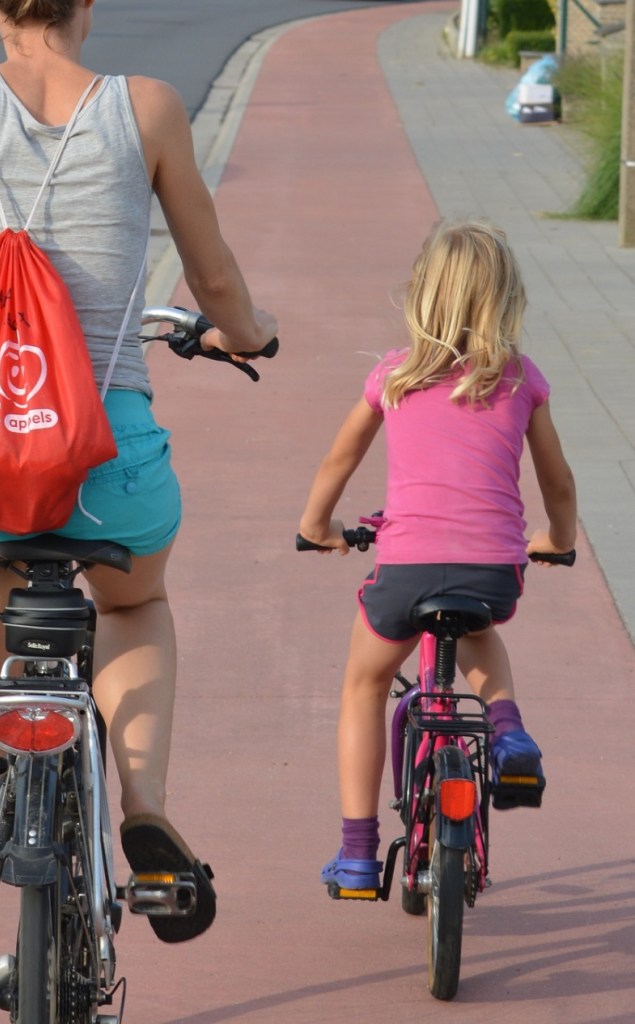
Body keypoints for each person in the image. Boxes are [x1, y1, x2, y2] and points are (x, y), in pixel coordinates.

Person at [0, 1, 278, 1021]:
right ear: (89, 5)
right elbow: (210, 274)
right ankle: (147, 809)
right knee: (132, 606)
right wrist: (242, 333)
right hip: (105, 456)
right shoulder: (148, 109)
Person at [296, 219, 576, 892]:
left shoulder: (392, 375)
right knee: (480, 628)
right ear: (504, 299)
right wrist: (557, 541)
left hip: (404, 570)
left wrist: (316, 526)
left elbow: (339, 457)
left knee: (363, 685)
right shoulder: (518, 377)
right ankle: (507, 733)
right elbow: (556, 479)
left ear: (421, 293)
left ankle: (359, 855)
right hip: (492, 569)